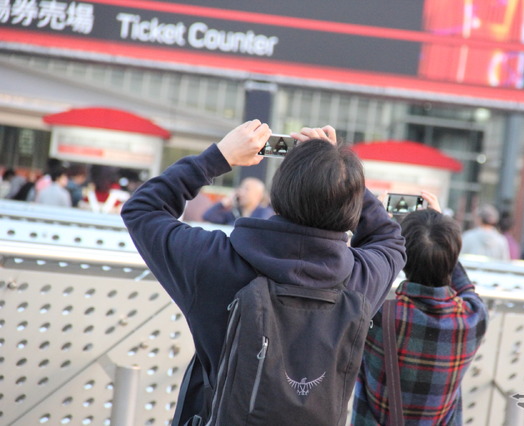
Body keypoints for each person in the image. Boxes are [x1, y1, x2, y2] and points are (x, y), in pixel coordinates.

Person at [120, 120, 406, 421]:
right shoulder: (361, 282)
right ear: (352, 205)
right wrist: (340, 174)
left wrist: (219, 157)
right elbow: (390, 239)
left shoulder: (214, 262)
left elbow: (143, 209)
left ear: (278, 198)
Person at [352, 192, 488, 425]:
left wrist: (377, 223)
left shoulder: (377, 317)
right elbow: (463, 284)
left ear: (405, 260)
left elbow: (362, 268)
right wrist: (439, 227)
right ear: (453, 254)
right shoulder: (474, 318)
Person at [202, 176, 273, 224]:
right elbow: (208, 216)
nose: (241, 192)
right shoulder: (234, 214)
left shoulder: (264, 213)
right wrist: (224, 202)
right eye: (241, 188)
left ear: (259, 195)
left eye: (246, 189)